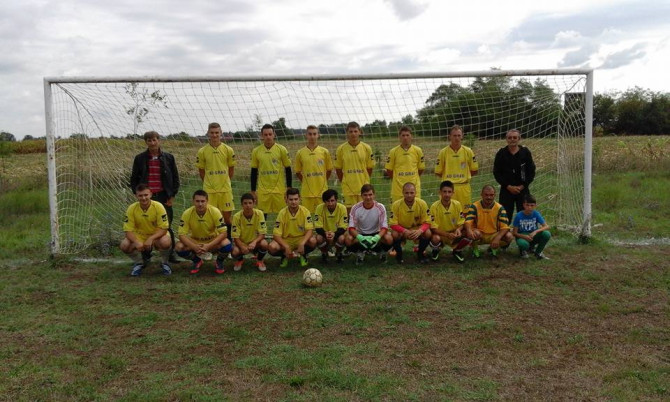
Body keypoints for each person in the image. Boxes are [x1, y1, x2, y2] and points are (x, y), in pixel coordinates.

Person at [130, 130, 179, 259]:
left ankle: (170, 254)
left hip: (163, 196)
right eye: (149, 140)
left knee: (166, 225)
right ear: (146, 142)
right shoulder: (140, 158)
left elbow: (175, 177)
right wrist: (137, 193)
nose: (152, 143)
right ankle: (146, 253)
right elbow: (134, 178)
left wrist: (172, 195)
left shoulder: (169, 157)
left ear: (159, 140)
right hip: (147, 197)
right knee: (144, 225)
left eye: (154, 140)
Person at [175, 190, 232, 275]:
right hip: (195, 242)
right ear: (193, 201)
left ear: (207, 201)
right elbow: (181, 235)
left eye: (202, 201)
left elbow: (224, 233)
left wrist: (209, 245)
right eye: (197, 201)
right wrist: (194, 246)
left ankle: (219, 262)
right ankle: (197, 261)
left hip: (211, 241)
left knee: (226, 244)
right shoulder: (187, 213)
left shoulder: (215, 211)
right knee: (179, 247)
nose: (200, 204)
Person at [119, 184, 172, 276]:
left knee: (165, 241)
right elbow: (128, 230)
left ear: (150, 194)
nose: (143, 198)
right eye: (140, 195)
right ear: (136, 196)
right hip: (140, 236)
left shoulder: (158, 206)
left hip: (155, 236)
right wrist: (136, 241)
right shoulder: (131, 208)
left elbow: (164, 228)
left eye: (146, 195)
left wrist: (151, 239)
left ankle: (165, 263)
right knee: (124, 245)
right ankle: (139, 263)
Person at [344, 184, 393, 265]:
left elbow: (384, 227)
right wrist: (360, 238)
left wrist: (377, 237)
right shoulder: (355, 208)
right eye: (365, 195)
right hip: (361, 234)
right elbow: (351, 228)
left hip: (375, 233)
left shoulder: (380, 207)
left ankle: (382, 252)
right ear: (361, 196)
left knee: (389, 238)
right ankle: (360, 253)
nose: (368, 197)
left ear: (374, 195)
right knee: (348, 239)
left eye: (370, 194)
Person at [268, 188, 316, 268]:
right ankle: (284, 255)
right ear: (286, 200)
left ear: (300, 199)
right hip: (286, 240)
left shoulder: (305, 211)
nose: (293, 202)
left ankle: (302, 254)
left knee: (313, 241)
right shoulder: (282, 213)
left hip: (300, 239)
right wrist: (286, 246)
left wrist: (302, 243)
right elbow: (276, 235)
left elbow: (310, 230)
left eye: (296, 199)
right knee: (272, 247)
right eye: (291, 199)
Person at [493, 129, 536, 217]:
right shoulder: (501, 153)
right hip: (506, 190)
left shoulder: (525, 152)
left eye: (515, 137)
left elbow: (531, 171)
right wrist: (508, 186)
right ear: (506, 139)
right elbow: (497, 173)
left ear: (519, 139)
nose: (512, 139)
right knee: (504, 217)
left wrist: (522, 186)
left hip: (523, 189)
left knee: (525, 216)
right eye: (510, 137)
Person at [251, 124, 292, 215]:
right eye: (265, 135)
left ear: (274, 134)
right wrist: (253, 191)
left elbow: (288, 169)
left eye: (270, 134)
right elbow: (254, 171)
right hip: (263, 191)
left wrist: (289, 187)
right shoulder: (256, 151)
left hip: (279, 190)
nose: (268, 137)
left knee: (283, 216)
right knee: (262, 216)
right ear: (262, 136)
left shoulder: (282, 149)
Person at [435, 124, 479, 208]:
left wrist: (463, 178)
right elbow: (438, 172)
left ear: (462, 136)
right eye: (454, 135)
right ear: (450, 137)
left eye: (459, 135)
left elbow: (474, 170)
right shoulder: (443, 152)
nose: (457, 138)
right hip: (448, 188)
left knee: (465, 212)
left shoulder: (468, 151)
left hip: (464, 187)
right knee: (447, 211)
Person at [428, 180, 472, 263]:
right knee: (435, 238)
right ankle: (436, 250)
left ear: (453, 193)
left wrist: (458, 230)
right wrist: (447, 234)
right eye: (444, 192)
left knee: (468, 233)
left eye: (449, 192)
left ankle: (457, 250)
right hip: (441, 235)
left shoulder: (457, 204)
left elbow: (461, 222)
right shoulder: (434, 206)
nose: (447, 194)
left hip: (454, 234)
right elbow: (433, 228)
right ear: (440, 192)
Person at [464, 185, 514, 258]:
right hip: (479, 234)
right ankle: (474, 249)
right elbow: (468, 221)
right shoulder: (474, 206)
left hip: (494, 235)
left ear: (495, 195)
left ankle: (492, 248)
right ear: (481, 195)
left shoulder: (500, 208)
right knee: (470, 232)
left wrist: (497, 238)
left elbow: (505, 227)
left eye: (491, 195)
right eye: (486, 195)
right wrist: (469, 230)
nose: (489, 197)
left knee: (509, 236)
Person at [334, 122, 375, 209]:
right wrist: (344, 181)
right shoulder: (340, 149)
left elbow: (370, 167)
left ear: (360, 132)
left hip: (363, 187)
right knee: (349, 213)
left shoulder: (367, 148)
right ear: (347, 133)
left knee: (364, 211)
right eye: (351, 131)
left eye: (355, 131)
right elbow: (338, 169)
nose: (353, 134)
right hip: (348, 188)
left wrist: (365, 179)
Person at [389, 183, 432, 264]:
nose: (409, 195)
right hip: (403, 229)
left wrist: (420, 231)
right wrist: (404, 231)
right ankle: (399, 254)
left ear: (416, 192)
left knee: (428, 233)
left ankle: (420, 253)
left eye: (412, 193)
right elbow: (392, 224)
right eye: (407, 193)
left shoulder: (422, 203)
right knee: (394, 233)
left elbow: (428, 222)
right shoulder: (396, 205)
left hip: (416, 229)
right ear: (403, 193)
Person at [294, 125, 333, 213]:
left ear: (318, 135)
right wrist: (305, 181)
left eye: (314, 134)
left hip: (322, 191)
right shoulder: (300, 153)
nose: (312, 136)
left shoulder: (324, 151)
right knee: (307, 216)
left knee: (323, 215)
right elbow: (298, 171)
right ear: (306, 135)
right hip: (307, 192)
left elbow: (329, 170)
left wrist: (323, 180)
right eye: (310, 134)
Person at [385, 126, 425, 203]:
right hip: (398, 190)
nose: (405, 138)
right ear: (399, 137)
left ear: (411, 136)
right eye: (403, 135)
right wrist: (397, 179)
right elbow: (389, 169)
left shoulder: (418, 150)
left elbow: (421, 169)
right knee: (397, 209)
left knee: (415, 209)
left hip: (414, 189)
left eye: (407, 135)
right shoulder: (393, 151)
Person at [231, 192, 269, 272]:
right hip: (243, 243)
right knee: (234, 251)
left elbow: (262, 233)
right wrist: (242, 246)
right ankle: (240, 260)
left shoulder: (259, 214)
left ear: (254, 203)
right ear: (241, 204)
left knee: (264, 244)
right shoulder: (236, 217)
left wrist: (254, 242)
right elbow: (235, 237)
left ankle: (260, 260)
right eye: (245, 203)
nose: (248, 205)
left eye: (250, 203)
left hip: (255, 243)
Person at [313, 189, 348, 263]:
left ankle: (338, 253)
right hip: (325, 234)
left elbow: (343, 227)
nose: (330, 203)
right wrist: (325, 233)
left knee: (342, 238)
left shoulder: (342, 208)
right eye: (328, 201)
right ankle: (324, 253)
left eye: (332, 201)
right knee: (318, 238)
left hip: (337, 234)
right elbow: (318, 227)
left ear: (336, 200)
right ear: (324, 201)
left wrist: (334, 234)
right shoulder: (319, 208)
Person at [512, 194, 551, 260]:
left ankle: (538, 253)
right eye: (527, 205)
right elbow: (514, 233)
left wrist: (535, 231)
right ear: (523, 205)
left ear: (535, 205)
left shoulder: (536, 214)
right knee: (523, 244)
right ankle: (523, 250)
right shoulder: (518, 215)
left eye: (532, 205)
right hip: (522, 236)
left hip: (533, 235)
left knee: (547, 234)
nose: (529, 207)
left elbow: (546, 226)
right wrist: (524, 236)